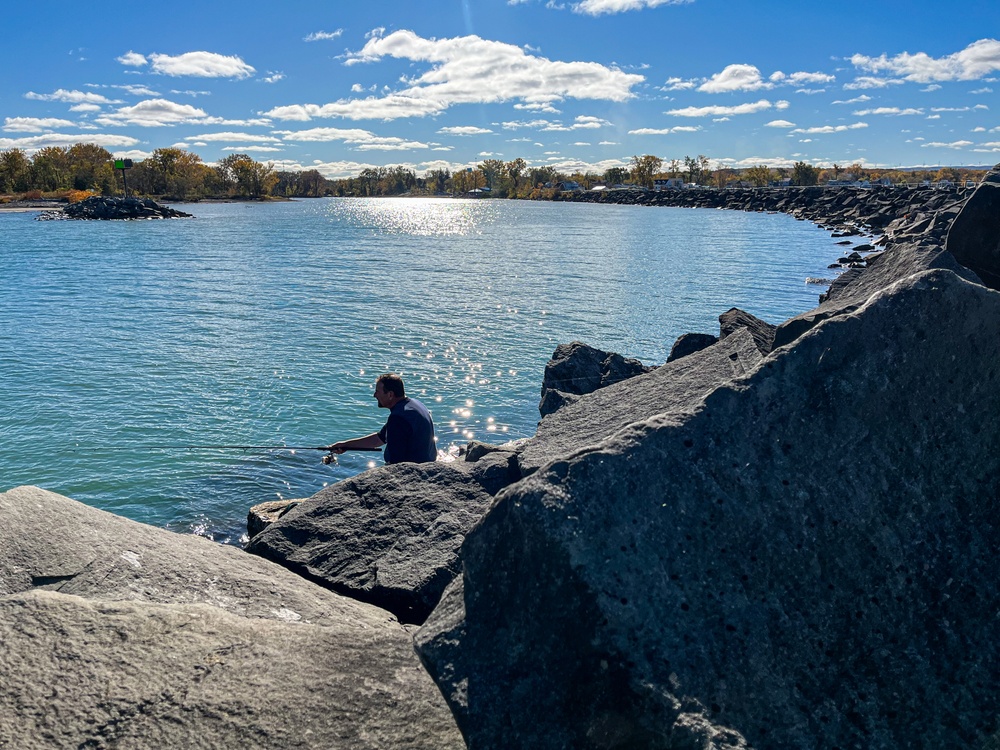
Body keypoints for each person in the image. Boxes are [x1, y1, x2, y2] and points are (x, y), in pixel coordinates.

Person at [326, 373, 437, 464]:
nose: (374, 395)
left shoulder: (398, 418)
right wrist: (345, 445)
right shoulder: (415, 405)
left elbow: (396, 461)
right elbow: (380, 438)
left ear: (390, 394)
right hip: (428, 463)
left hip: (414, 470)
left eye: (377, 391)